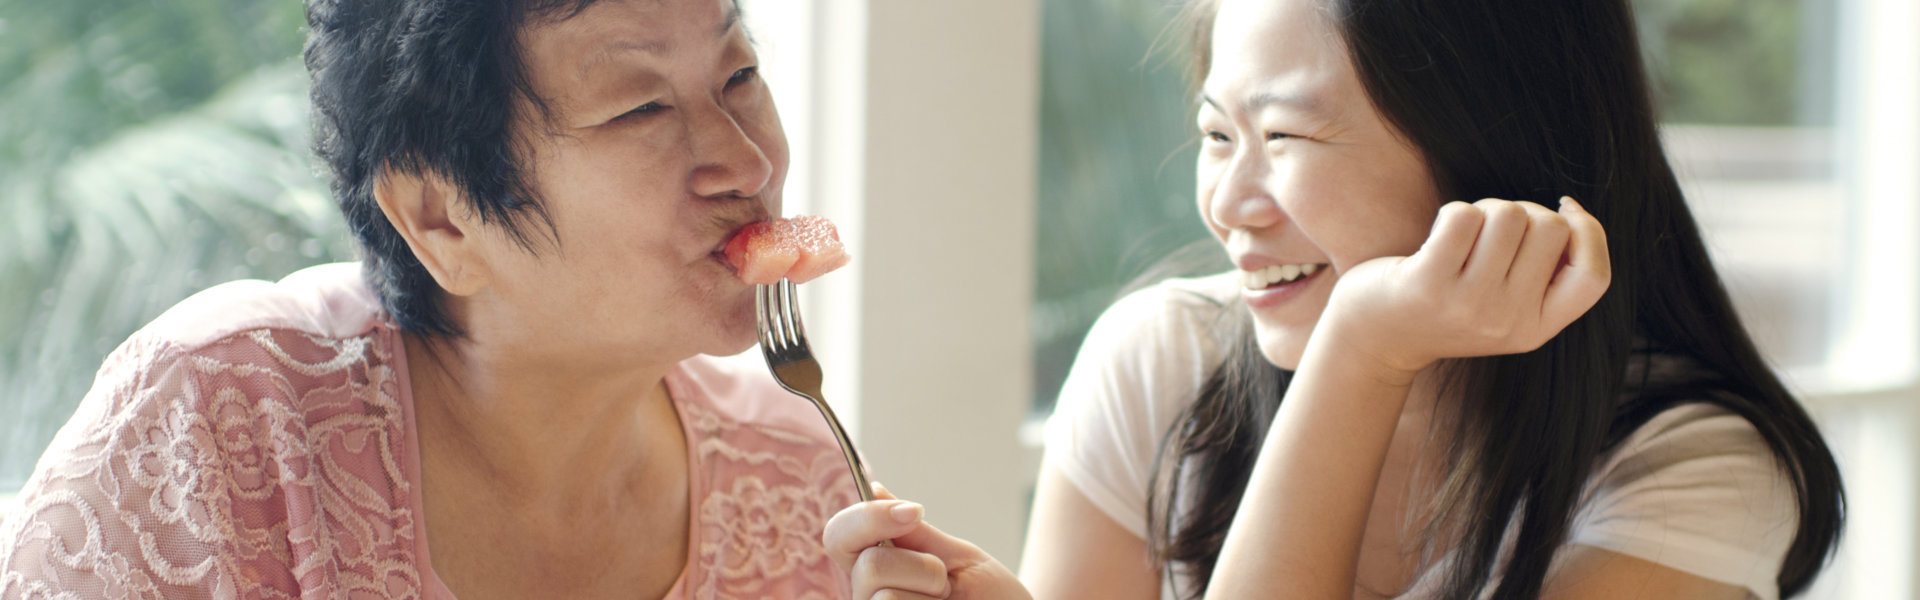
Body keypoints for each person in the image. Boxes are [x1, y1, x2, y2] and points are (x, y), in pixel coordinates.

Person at [822, 0, 1845, 598]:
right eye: (1219, 135)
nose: (1228, 205)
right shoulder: (1161, 360)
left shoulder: (1691, 462)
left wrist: (1364, 350)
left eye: (1288, 139)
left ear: (1491, 144)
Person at [0, 0, 860, 598]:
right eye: (639, 108)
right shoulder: (214, 428)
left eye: (739, 73)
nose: (747, 164)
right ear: (440, 218)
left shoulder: (801, 482)